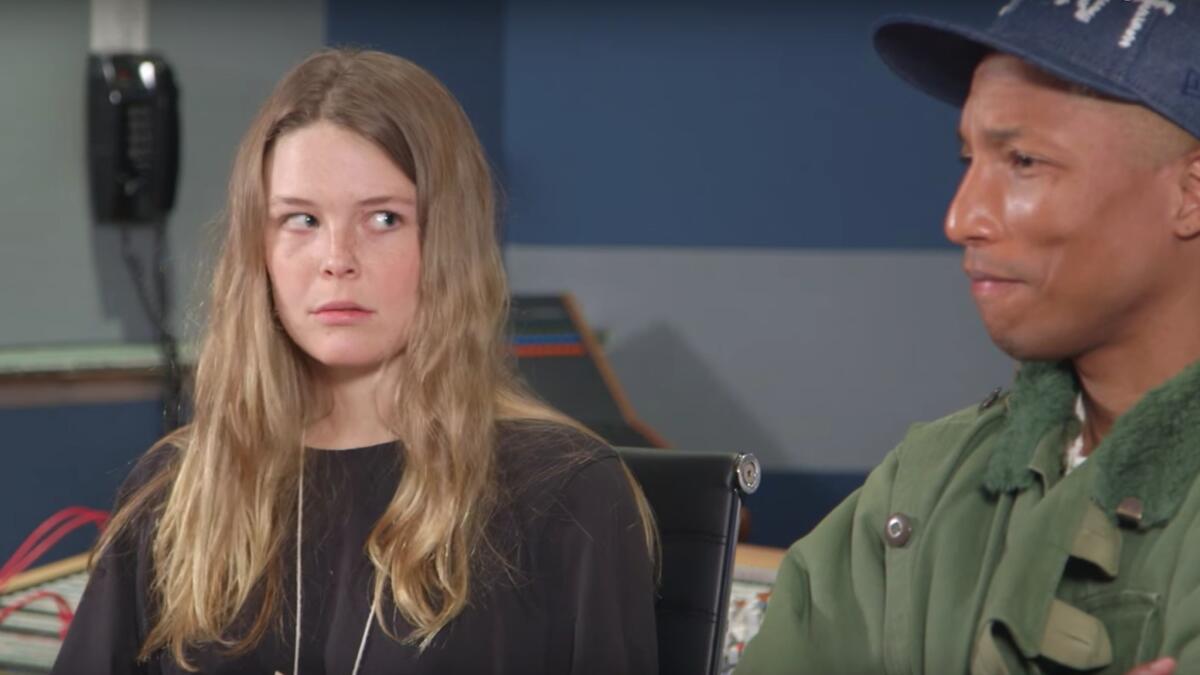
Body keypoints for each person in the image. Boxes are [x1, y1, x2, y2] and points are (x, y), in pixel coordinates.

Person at [52, 49, 658, 675]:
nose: (337, 258)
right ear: (258, 248)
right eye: (302, 219)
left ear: (448, 243)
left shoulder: (567, 493)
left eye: (384, 218)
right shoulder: (178, 485)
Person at [738, 2, 1200, 674]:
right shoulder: (928, 483)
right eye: (967, 158)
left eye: (1023, 161)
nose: (961, 217)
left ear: (1190, 192)